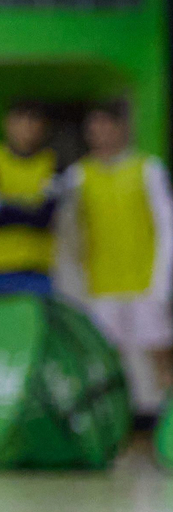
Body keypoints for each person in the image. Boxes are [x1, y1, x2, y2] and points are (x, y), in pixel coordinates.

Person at [61, 100, 173, 417]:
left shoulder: (148, 169)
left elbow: (166, 227)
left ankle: (164, 438)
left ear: (121, 128)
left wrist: (162, 285)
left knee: (158, 361)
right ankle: (123, 440)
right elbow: (71, 235)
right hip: (101, 287)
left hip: (145, 284)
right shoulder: (79, 176)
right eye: (93, 129)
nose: (100, 135)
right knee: (111, 366)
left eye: (106, 126)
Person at [0, 102, 58, 295]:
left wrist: (5, 207)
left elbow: (45, 218)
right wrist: (30, 210)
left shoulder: (51, 164)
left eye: (34, 122)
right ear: (8, 124)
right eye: (22, 121)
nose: (28, 129)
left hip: (36, 271)